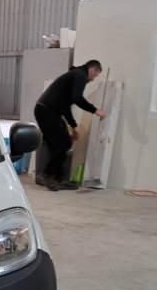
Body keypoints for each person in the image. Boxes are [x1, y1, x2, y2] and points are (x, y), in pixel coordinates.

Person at [34, 60, 106, 191]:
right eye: (96, 75)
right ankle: (47, 175)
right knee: (63, 143)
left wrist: (73, 126)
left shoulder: (75, 74)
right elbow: (77, 98)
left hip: (45, 110)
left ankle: (58, 178)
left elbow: (66, 106)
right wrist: (95, 110)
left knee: (60, 144)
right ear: (92, 69)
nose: (94, 79)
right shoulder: (80, 75)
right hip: (47, 111)